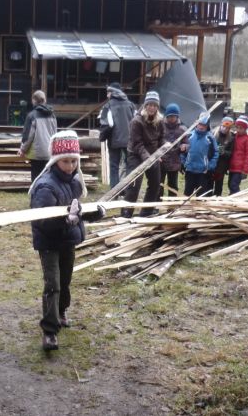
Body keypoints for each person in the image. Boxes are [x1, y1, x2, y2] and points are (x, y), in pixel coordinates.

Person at [29, 131, 105, 351]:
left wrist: (95, 213)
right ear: (55, 160)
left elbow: (79, 211)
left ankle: (61, 312)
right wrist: (67, 220)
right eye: (65, 161)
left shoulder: (74, 182)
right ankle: (50, 331)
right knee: (52, 284)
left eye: (74, 161)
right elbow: (42, 221)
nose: (70, 166)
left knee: (65, 281)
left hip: (67, 241)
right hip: (49, 242)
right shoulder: (45, 186)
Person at [121, 91, 165, 218]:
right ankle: (126, 214)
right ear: (145, 106)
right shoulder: (137, 121)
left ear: (157, 107)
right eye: (149, 105)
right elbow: (137, 144)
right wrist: (148, 158)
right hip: (136, 155)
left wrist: (164, 148)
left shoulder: (160, 121)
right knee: (134, 185)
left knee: (155, 184)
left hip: (152, 155)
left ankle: (146, 213)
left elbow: (161, 138)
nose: (152, 107)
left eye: (154, 105)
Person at [98, 82, 137, 188]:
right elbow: (136, 123)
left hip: (114, 141)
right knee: (129, 165)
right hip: (129, 141)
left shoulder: (108, 106)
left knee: (114, 166)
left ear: (113, 92)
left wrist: (101, 137)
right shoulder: (130, 105)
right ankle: (129, 189)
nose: (107, 95)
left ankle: (114, 192)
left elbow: (106, 125)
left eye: (108, 92)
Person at [18, 90, 57, 181]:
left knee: (36, 180)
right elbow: (55, 135)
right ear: (45, 100)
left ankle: (36, 194)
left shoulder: (32, 116)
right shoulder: (52, 115)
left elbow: (28, 136)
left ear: (33, 100)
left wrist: (22, 150)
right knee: (47, 179)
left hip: (37, 154)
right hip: (49, 153)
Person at [183, 113, 218, 196]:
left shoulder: (210, 138)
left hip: (203, 172)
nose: (201, 127)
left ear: (207, 126)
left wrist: (210, 166)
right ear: (196, 123)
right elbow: (183, 151)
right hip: (190, 170)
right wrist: (183, 163)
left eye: (204, 125)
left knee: (201, 195)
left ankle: (198, 209)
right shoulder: (189, 135)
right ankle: (186, 209)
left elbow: (216, 153)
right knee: (187, 194)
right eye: (200, 124)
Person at [160, 103, 188, 197]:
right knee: (159, 185)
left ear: (177, 116)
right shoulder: (160, 127)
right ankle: (156, 206)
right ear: (166, 116)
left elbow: (187, 143)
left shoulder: (182, 130)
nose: (172, 118)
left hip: (174, 163)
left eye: (174, 116)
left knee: (173, 186)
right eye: (170, 116)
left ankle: (171, 206)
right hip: (161, 162)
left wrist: (184, 146)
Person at [228, 115, 248, 195]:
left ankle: (236, 200)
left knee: (234, 186)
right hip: (232, 166)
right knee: (230, 184)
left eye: (241, 128)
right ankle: (231, 200)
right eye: (237, 127)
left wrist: (245, 171)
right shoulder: (234, 136)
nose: (239, 130)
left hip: (240, 168)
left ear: (245, 128)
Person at [209, 116, 235, 197]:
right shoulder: (213, 133)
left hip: (221, 167)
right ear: (220, 125)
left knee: (218, 186)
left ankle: (217, 200)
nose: (225, 129)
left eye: (227, 128)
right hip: (211, 165)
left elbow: (231, 153)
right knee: (209, 185)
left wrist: (223, 152)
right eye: (223, 126)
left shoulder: (231, 137)